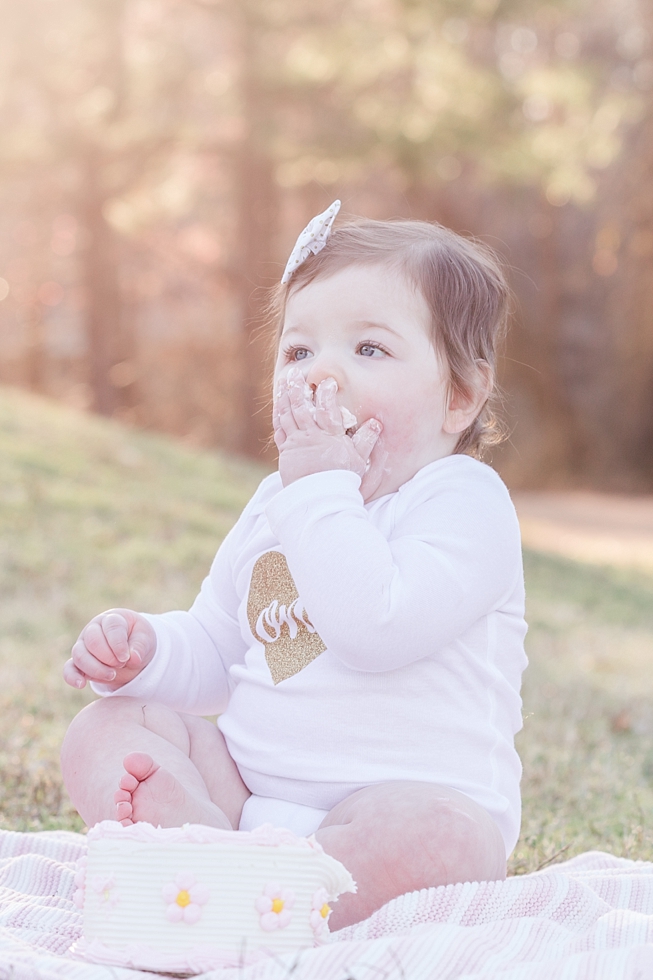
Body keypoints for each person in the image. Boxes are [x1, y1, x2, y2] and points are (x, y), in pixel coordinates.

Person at [61, 202, 528, 930]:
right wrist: (145, 651)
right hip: (245, 795)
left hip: (388, 811)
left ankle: (252, 902)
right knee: (103, 729)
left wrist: (317, 493)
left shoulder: (463, 503)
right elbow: (220, 647)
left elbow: (372, 628)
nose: (322, 376)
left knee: (451, 841)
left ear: (459, 396)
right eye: (298, 352)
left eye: (368, 350)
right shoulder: (277, 504)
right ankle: (213, 856)